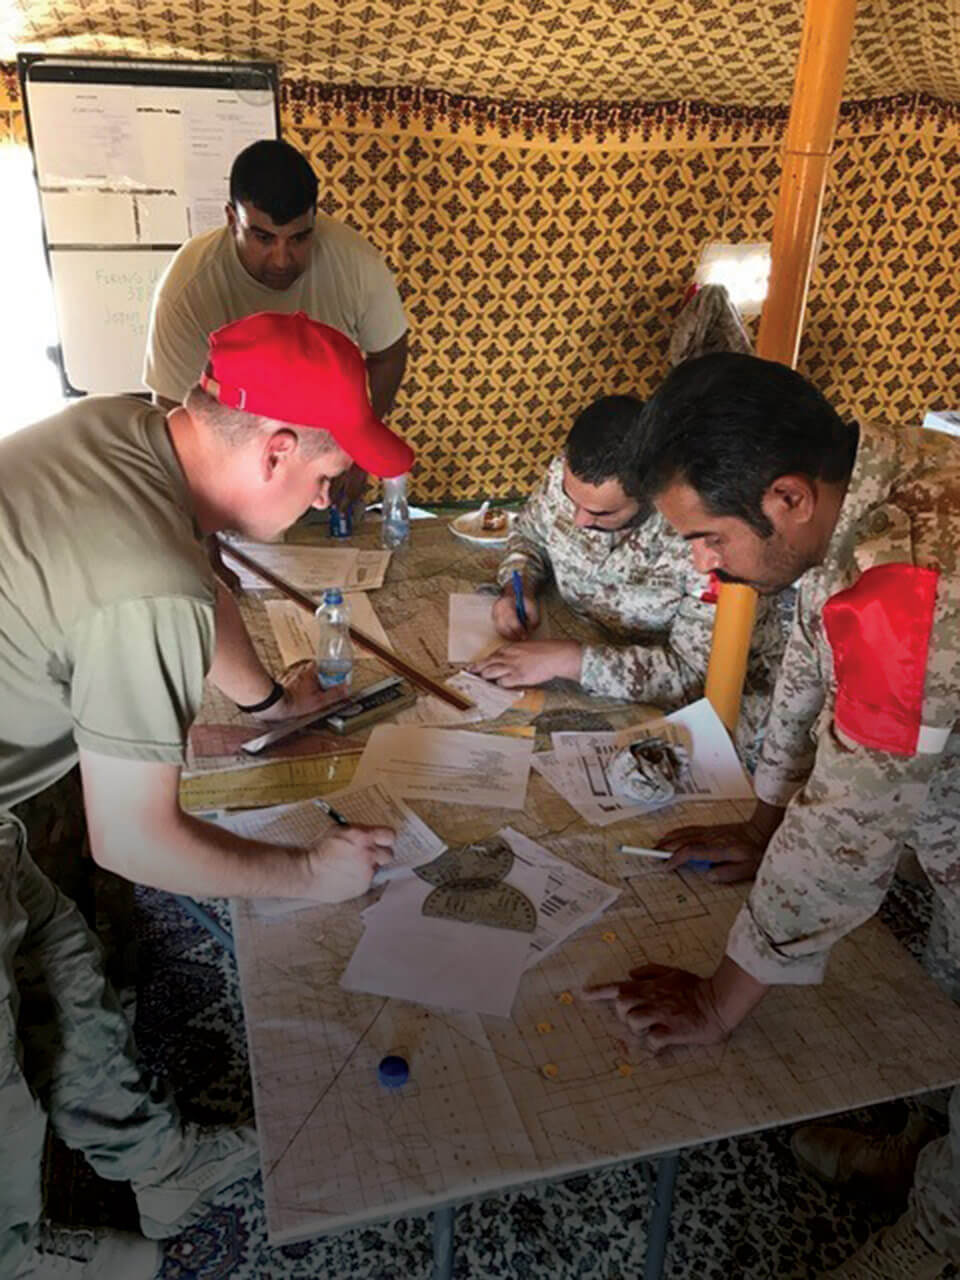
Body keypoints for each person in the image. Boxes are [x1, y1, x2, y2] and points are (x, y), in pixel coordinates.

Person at [1, 311, 413, 1277]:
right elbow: (134, 842)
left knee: (59, 963)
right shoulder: (143, 582)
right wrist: (311, 873)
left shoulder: (140, 427)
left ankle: (158, 1164)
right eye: (325, 477)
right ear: (274, 451)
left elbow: (200, 567)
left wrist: (270, 703)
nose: (327, 495)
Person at [585, 352, 960, 1279]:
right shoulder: (852, 488)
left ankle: (934, 1242)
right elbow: (807, 665)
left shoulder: (907, 572)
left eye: (707, 537)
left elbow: (851, 825)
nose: (701, 564)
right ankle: (923, 1145)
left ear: (785, 497)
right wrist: (759, 822)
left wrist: (721, 998)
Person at [472, 395, 788, 763]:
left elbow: (695, 677)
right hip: (584, 648)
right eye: (570, 500)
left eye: (600, 512)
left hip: (703, 718)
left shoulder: (707, 538)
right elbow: (529, 537)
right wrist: (518, 585)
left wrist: (572, 662)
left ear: (651, 496)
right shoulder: (574, 476)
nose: (579, 520)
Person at [144, 137, 409, 521]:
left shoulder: (356, 263)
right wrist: (198, 533)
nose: (282, 259)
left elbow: (389, 352)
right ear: (232, 219)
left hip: (316, 461)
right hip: (231, 476)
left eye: (299, 238)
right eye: (263, 238)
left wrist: (352, 445)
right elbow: (172, 420)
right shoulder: (187, 288)